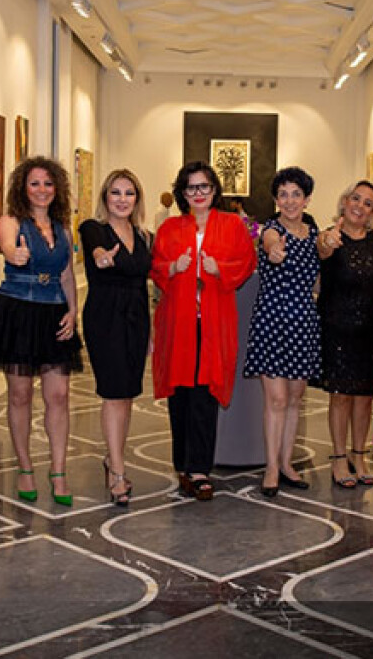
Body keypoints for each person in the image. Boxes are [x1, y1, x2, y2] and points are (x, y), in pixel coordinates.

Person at [0, 157, 83, 506]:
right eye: (34, 183)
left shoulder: (63, 228)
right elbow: (7, 246)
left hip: (54, 313)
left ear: (57, 189)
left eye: (48, 184)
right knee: (20, 395)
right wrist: (14, 253)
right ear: (23, 187)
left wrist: (73, 312)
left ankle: (58, 471)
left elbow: (66, 275)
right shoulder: (10, 221)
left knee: (59, 396)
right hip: (18, 312)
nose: (41, 190)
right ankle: (24, 468)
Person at [151, 161, 256, 501]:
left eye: (204, 187)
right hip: (178, 322)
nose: (198, 193)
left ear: (214, 190)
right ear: (182, 193)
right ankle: (182, 464)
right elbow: (155, 267)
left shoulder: (232, 225)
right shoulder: (170, 228)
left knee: (205, 393)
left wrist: (218, 268)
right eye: (191, 188)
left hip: (213, 322)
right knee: (180, 392)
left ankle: (199, 469)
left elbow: (246, 262)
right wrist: (172, 267)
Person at [243, 167, 320, 497]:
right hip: (272, 320)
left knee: (295, 399)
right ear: (276, 200)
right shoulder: (271, 231)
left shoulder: (314, 234)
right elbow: (271, 245)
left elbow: (318, 279)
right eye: (283, 195)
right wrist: (274, 251)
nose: (290, 201)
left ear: (306, 199)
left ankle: (287, 463)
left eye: (296, 194)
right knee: (276, 399)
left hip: (304, 321)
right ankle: (271, 467)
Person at [79, 169, 151, 507]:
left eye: (129, 193)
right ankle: (118, 473)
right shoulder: (92, 228)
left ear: (137, 199)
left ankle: (113, 458)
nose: (122, 199)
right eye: (116, 192)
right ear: (105, 197)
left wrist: (151, 332)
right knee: (113, 393)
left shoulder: (144, 236)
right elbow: (96, 251)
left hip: (137, 318)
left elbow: (145, 284)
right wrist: (101, 257)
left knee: (128, 395)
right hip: (105, 318)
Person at [316, 180, 373, 489]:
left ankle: (360, 455)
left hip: (369, 328)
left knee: (365, 398)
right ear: (345, 201)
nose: (360, 206)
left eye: (368, 203)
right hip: (337, 328)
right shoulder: (328, 236)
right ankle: (339, 457)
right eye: (355, 199)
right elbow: (322, 251)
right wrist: (327, 242)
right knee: (341, 396)